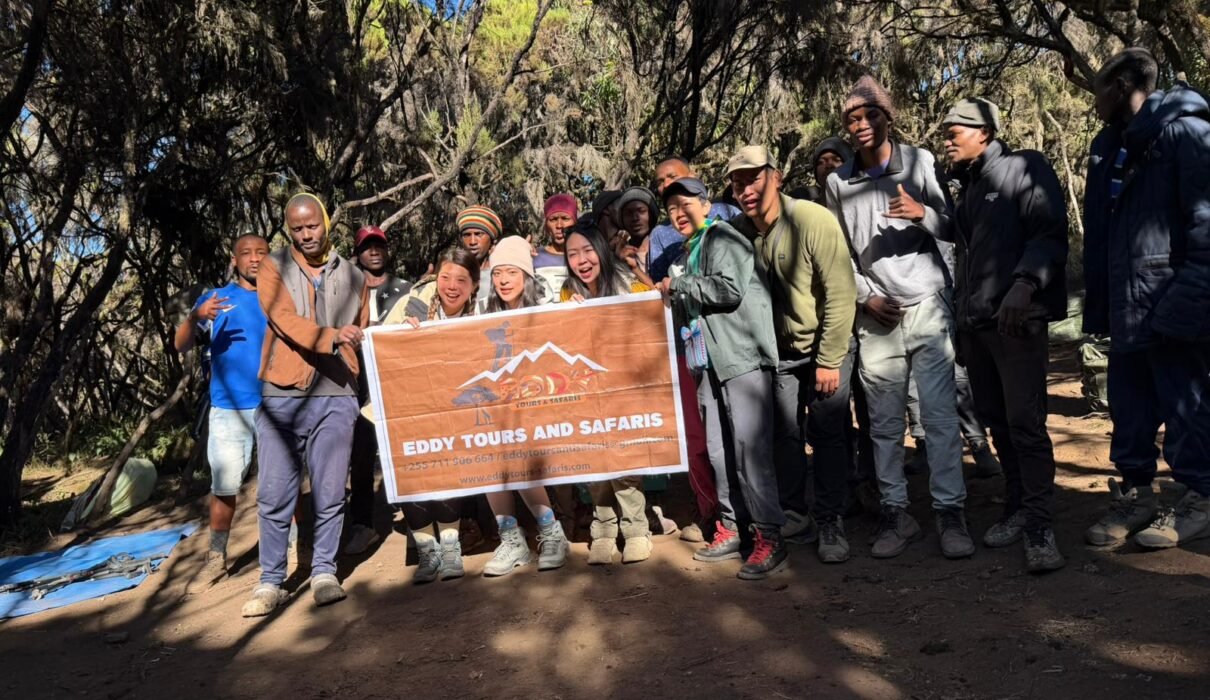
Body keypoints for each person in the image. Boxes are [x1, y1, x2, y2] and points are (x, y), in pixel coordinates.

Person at [825, 76, 974, 560]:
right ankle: (897, 513)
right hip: (877, 316)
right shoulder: (836, 182)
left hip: (927, 304)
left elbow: (954, 227)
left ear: (887, 117)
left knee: (938, 417)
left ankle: (951, 513)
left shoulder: (921, 162)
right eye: (853, 118)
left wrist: (921, 214)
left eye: (871, 115)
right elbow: (840, 253)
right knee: (885, 425)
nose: (862, 124)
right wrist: (866, 296)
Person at [1082, 48, 1210, 549]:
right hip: (1126, 306)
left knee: (1188, 408)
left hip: (1172, 304)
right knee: (1129, 412)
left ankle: (1199, 497)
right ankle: (1138, 496)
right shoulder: (1110, 145)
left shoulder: (1186, 133)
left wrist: (1186, 302)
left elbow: (1205, 226)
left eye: (1097, 90)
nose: (1093, 100)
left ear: (1118, 88)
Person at [940, 97, 1070, 572]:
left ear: (986, 133)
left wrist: (1025, 283)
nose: (948, 139)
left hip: (1016, 321)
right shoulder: (970, 188)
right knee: (995, 420)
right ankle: (1017, 507)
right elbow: (964, 243)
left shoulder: (1024, 167)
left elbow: (1050, 232)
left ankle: (1040, 525)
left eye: (956, 131)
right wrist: (923, 215)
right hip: (977, 324)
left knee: (1025, 423)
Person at [727, 145, 858, 564]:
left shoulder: (811, 218)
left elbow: (840, 292)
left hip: (824, 345)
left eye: (754, 178)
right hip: (778, 355)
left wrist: (829, 359)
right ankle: (794, 512)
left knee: (828, 431)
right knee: (784, 435)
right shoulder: (738, 233)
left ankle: (831, 518)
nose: (746, 188)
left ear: (776, 177)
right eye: (737, 182)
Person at [241, 193, 368, 616]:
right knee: (275, 492)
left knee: (331, 490)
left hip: (336, 391)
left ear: (326, 222)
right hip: (283, 393)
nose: (306, 234)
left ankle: (324, 572)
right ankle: (270, 581)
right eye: (297, 228)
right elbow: (283, 320)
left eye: (312, 225)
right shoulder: (273, 267)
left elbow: (362, 331)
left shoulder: (353, 274)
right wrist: (332, 337)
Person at [657, 176, 787, 580]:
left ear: (706, 204)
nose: (679, 213)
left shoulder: (724, 239)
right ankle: (732, 527)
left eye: (686, 204)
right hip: (706, 361)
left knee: (750, 450)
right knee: (717, 452)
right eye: (672, 209)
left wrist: (678, 285)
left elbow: (729, 290)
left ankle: (769, 536)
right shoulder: (687, 251)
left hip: (741, 356)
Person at [174, 234, 270, 578]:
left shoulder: (281, 295)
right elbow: (181, 344)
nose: (255, 259)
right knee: (225, 486)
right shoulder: (217, 299)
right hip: (229, 407)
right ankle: (216, 554)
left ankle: (295, 545)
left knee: (286, 482)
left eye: (261, 252)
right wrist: (194, 317)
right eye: (247, 253)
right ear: (234, 260)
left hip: (278, 402)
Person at [385, 247, 483, 582]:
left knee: (449, 476)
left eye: (461, 280)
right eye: (445, 277)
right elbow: (380, 345)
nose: (451, 286)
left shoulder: (481, 315)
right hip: (411, 409)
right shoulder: (411, 304)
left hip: (457, 413)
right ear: (435, 277)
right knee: (413, 475)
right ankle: (427, 551)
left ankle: (451, 546)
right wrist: (402, 334)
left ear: (474, 285)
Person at [559, 224, 654, 564]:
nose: (581, 261)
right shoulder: (567, 293)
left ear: (599, 249)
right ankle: (603, 529)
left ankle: (636, 530)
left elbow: (654, 315)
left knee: (625, 460)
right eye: (572, 255)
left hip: (625, 389)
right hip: (587, 391)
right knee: (594, 463)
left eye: (586, 251)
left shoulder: (630, 284)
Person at [478, 236, 571, 575]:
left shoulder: (543, 313)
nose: (503, 280)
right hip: (494, 411)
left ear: (527, 277)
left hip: (535, 411)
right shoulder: (481, 318)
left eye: (511, 272)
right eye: (498, 273)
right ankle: (512, 541)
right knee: (488, 465)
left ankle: (550, 532)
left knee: (518, 460)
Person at [345, 224, 412, 556]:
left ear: (387, 251)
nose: (374, 251)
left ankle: (417, 521)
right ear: (357, 254)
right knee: (360, 455)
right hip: (358, 384)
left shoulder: (406, 290)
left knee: (404, 452)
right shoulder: (346, 291)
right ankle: (362, 524)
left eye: (379, 246)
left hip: (399, 383)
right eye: (367, 247)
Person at [648, 157, 741, 283]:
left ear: (692, 176)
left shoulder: (727, 212)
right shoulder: (659, 234)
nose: (666, 184)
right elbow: (660, 283)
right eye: (660, 182)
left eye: (672, 176)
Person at [612, 186, 660, 283]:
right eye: (628, 213)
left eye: (641, 211)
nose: (635, 218)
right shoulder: (618, 253)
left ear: (652, 214)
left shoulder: (663, 247)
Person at [533, 194, 577, 294]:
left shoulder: (585, 258)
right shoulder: (535, 257)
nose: (559, 225)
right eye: (553, 219)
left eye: (565, 218)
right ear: (546, 226)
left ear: (575, 222)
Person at [798, 137, 853, 205]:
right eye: (821, 162)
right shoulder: (808, 209)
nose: (829, 165)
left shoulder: (863, 201)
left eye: (837, 160)